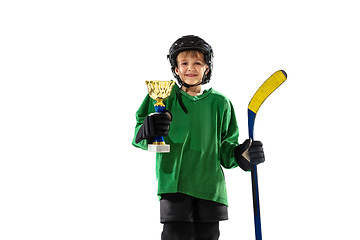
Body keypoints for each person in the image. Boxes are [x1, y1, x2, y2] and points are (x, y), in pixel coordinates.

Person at [132, 35, 265, 240]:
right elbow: (138, 135)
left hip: (210, 188)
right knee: (176, 235)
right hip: (174, 185)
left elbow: (226, 150)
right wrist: (145, 130)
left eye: (197, 63)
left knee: (208, 236)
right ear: (176, 69)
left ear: (207, 68)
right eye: (184, 63)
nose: (190, 68)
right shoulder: (164, 96)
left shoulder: (221, 103)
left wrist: (242, 154)